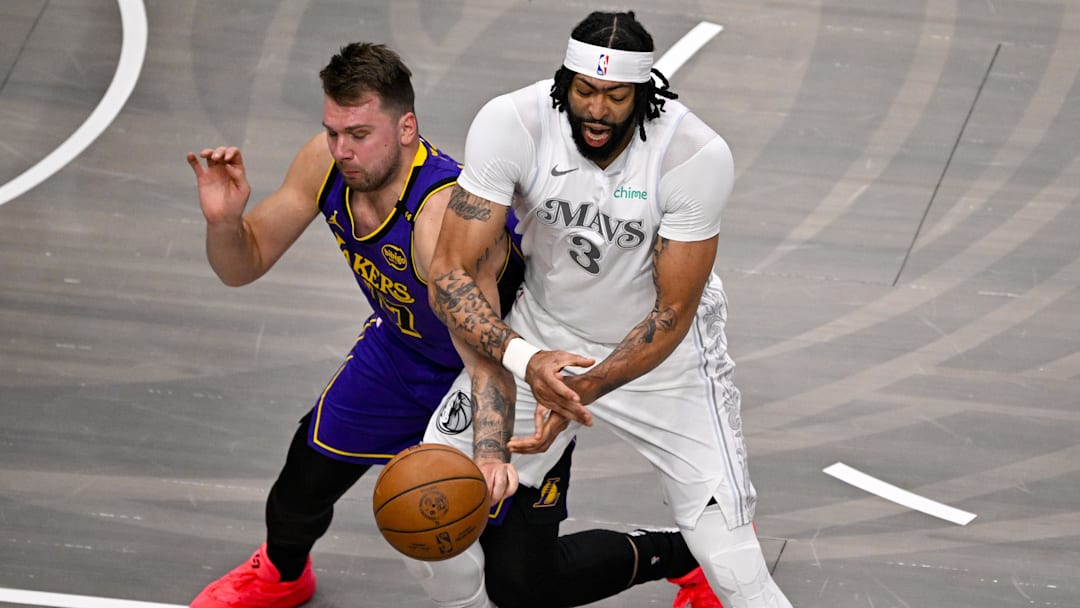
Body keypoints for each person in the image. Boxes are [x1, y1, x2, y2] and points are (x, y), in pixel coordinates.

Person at [185, 41, 717, 608]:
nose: (342, 150)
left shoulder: (441, 215)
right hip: (401, 354)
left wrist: (488, 452)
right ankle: (282, 574)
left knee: (524, 584)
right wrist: (224, 222)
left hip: (502, 367)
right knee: (303, 480)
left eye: (359, 134)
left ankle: (688, 556)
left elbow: (485, 356)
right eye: (334, 131)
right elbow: (243, 266)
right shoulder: (324, 161)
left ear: (407, 127)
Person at [423, 10, 793, 608]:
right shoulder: (512, 122)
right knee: (431, 511)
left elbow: (672, 313)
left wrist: (582, 388)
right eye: (585, 90)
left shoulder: (692, 155)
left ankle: (695, 559)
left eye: (616, 96)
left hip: (666, 361)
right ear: (562, 82)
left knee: (733, 566)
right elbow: (450, 272)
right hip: (544, 331)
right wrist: (529, 359)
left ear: (645, 93)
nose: (597, 109)